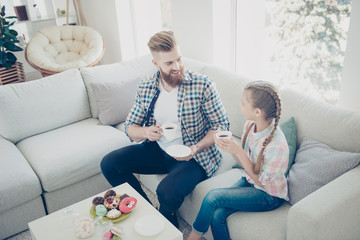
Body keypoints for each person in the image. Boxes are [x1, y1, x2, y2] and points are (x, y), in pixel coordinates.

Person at [100, 31, 229, 227]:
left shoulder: (203, 85)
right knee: (109, 164)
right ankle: (145, 209)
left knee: (165, 192)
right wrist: (146, 132)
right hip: (159, 149)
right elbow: (130, 127)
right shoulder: (147, 86)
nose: (177, 67)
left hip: (194, 156)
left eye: (178, 59)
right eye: (169, 63)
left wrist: (195, 148)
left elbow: (221, 126)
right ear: (155, 63)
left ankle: (166, 219)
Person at [187, 81, 289, 240]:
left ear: (257, 111)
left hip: (268, 195)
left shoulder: (277, 146)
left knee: (213, 197)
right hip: (250, 180)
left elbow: (262, 182)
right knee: (217, 214)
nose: (240, 105)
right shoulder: (250, 125)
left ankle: (192, 237)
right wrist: (231, 149)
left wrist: (238, 151)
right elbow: (245, 164)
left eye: (243, 103)